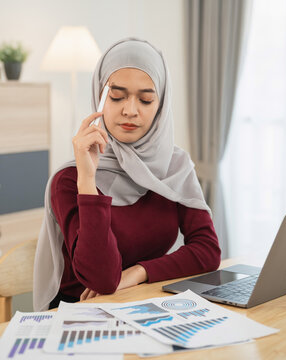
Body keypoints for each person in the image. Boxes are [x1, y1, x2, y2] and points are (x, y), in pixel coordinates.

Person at [33, 38, 221, 311]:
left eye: (145, 99)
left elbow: (208, 251)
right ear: (99, 96)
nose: (130, 110)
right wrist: (87, 180)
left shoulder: (173, 166)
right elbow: (103, 279)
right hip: (79, 314)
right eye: (117, 96)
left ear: (161, 106)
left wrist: (137, 273)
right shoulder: (69, 180)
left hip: (143, 303)